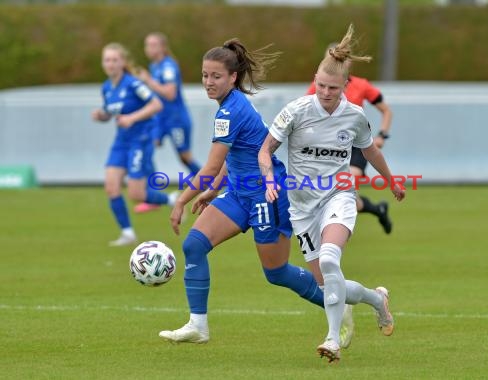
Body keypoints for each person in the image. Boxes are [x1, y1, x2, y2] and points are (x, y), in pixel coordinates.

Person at [158, 38, 334, 345]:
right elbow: (239, 154)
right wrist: (215, 191)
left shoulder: (230, 111)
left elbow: (211, 166)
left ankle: (338, 302)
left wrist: (181, 201)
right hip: (240, 193)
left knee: (276, 272)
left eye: (215, 76)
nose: (208, 82)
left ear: (232, 78)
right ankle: (198, 326)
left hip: (267, 194)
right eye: (204, 75)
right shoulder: (233, 104)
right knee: (194, 245)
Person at [259, 24, 406, 363]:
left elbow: (370, 152)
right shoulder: (296, 110)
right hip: (302, 206)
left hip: (338, 195)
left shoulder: (354, 116)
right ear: (315, 80)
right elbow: (265, 151)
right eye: (321, 85)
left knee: (329, 258)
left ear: (345, 86)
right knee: (327, 286)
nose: (326, 92)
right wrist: (269, 180)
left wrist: (392, 181)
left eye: (333, 87)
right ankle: (375, 299)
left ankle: (332, 339)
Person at [91, 42, 178, 247]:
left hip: (140, 140)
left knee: (136, 194)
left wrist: (132, 118)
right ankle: (128, 233)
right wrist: (101, 115)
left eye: (114, 59)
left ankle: (171, 200)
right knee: (111, 187)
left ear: (122, 62)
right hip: (121, 141)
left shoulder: (133, 84)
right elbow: (110, 113)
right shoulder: (106, 87)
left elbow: (156, 104)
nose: (110, 64)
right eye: (107, 60)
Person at [306, 43, 394, 234]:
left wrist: (382, 135)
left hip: (355, 147)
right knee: (336, 198)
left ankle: (334, 237)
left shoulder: (361, 85)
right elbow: (306, 117)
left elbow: (386, 111)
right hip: (328, 149)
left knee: (345, 190)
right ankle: (376, 209)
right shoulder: (318, 87)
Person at [134, 32, 201, 213]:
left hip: (176, 120)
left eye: (153, 45)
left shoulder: (168, 66)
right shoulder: (154, 66)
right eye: (147, 45)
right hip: (160, 119)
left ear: (163, 47)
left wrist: (148, 80)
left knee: (185, 157)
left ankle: (207, 184)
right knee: (147, 147)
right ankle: (154, 196)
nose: (149, 48)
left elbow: (170, 94)